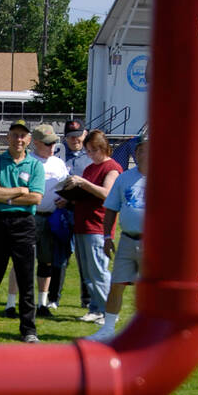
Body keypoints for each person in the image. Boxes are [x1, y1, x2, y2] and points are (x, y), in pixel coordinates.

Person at [0, 119, 45, 344]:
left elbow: (35, 197)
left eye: (23, 135)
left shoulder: (35, 166)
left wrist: (5, 192)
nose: (19, 139)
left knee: (26, 279)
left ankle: (28, 330)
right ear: (8, 137)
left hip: (24, 224)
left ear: (29, 139)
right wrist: (18, 191)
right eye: (14, 135)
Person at [3, 122, 68, 321]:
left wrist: (66, 199)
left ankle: (42, 302)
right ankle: (11, 304)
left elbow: (65, 186)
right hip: (29, 217)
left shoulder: (58, 163)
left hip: (51, 218)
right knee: (21, 262)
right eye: (47, 144)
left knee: (46, 262)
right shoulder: (28, 162)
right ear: (36, 143)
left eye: (54, 144)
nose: (52, 148)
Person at [87, 137, 148, 341]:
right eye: (139, 150)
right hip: (128, 240)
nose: (142, 154)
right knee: (117, 284)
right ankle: (108, 329)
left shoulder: (165, 178)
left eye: (146, 150)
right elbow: (111, 209)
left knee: (150, 287)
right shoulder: (124, 178)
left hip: (153, 243)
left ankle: (148, 327)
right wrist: (106, 237)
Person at [59, 128, 122, 325]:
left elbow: (107, 194)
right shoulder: (89, 168)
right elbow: (88, 194)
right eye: (88, 151)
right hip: (82, 224)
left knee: (99, 270)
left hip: (98, 226)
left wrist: (83, 184)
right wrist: (70, 196)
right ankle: (95, 309)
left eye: (94, 150)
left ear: (104, 148)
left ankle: (109, 311)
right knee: (87, 271)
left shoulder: (111, 167)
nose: (91, 154)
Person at [54, 119, 93, 310]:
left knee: (84, 258)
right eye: (70, 137)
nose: (74, 140)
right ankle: (54, 298)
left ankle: (87, 299)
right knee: (60, 257)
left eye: (78, 136)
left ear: (85, 135)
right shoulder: (58, 156)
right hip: (61, 213)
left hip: (83, 213)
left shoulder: (92, 158)